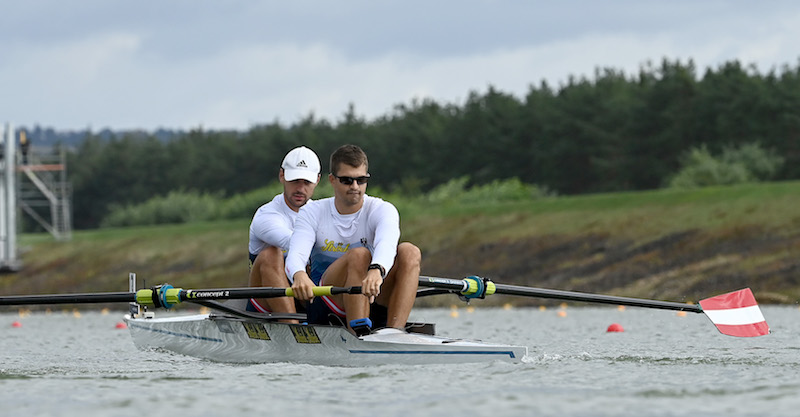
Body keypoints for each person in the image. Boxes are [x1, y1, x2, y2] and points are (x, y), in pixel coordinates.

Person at [285, 144, 420, 334]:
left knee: (410, 252)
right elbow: (296, 254)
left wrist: (377, 269)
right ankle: (358, 334)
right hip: (327, 302)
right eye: (347, 180)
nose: (355, 186)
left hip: (371, 296)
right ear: (332, 180)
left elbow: (387, 243)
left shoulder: (382, 209)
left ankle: (395, 332)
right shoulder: (312, 212)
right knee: (359, 255)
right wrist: (299, 275)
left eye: (361, 180)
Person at [247, 146, 321, 316]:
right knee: (271, 254)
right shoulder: (266, 215)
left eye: (306, 182)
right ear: (282, 176)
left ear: (317, 180)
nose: (300, 189)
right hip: (265, 303)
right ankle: (291, 323)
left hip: (306, 296)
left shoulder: (320, 212)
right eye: (295, 181)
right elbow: (295, 243)